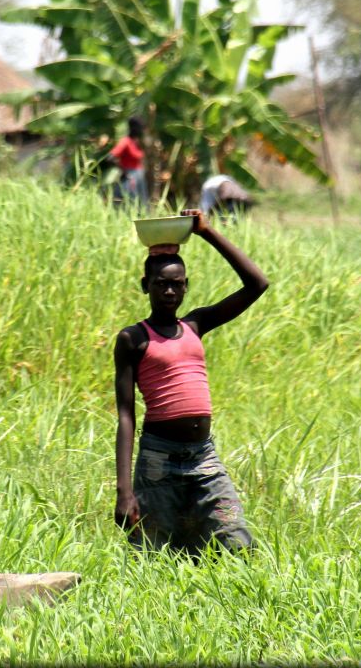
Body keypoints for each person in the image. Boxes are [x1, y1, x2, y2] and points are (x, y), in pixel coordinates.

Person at [113, 208, 268, 556]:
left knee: (236, 540)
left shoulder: (195, 325)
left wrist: (207, 232)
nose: (170, 291)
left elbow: (257, 283)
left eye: (177, 284)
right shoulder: (133, 338)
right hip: (158, 459)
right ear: (145, 286)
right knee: (152, 553)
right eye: (161, 284)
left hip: (203, 457)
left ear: (186, 287)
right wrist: (124, 490)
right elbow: (126, 415)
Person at [110, 117, 148, 209]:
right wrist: (124, 171)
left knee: (142, 206)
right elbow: (111, 157)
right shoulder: (125, 141)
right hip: (130, 177)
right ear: (134, 128)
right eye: (140, 128)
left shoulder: (136, 142)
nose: (142, 131)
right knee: (130, 205)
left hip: (139, 178)